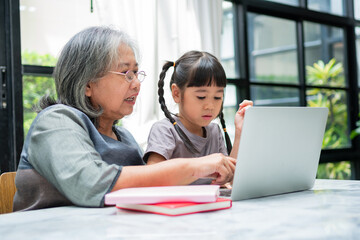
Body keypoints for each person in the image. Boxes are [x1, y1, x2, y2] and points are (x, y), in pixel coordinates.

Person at [13, 26, 236, 211]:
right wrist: (195, 167)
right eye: (126, 74)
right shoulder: (56, 121)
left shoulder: (124, 137)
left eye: (137, 73)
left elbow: (146, 189)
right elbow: (91, 185)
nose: (137, 84)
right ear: (88, 83)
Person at [144, 51, 253, 185]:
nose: (210, 106)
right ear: (176, 93)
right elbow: (152, 179)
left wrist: (239, 131)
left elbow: (229, 179)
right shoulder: (164, 130)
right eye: (201, 97)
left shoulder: (214, 131)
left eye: (217, 97)